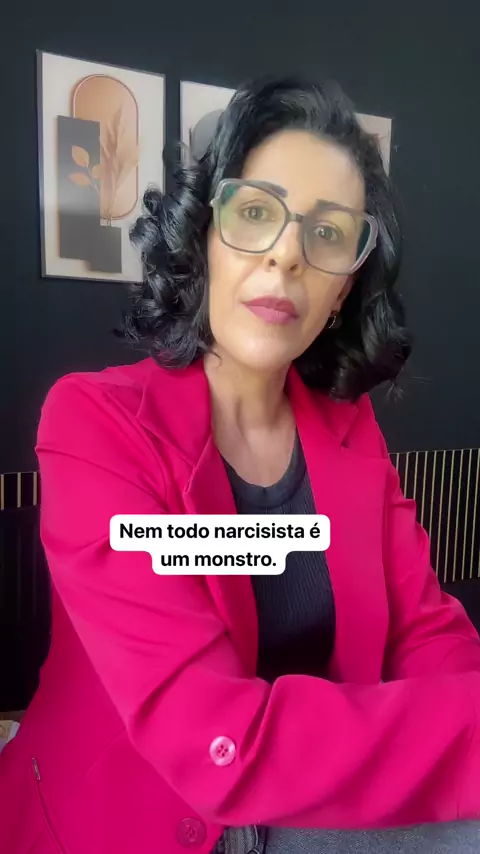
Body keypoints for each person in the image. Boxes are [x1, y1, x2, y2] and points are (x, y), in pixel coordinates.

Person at [2, 76, 480, 854]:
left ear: (342, 291)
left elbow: (424, 633)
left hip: (310, 796)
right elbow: (210, 737)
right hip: (130, 825)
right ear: (205, 239)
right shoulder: (95, 426)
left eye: (328, 233)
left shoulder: (350, 432)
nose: (288, 255)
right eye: (256, 213)